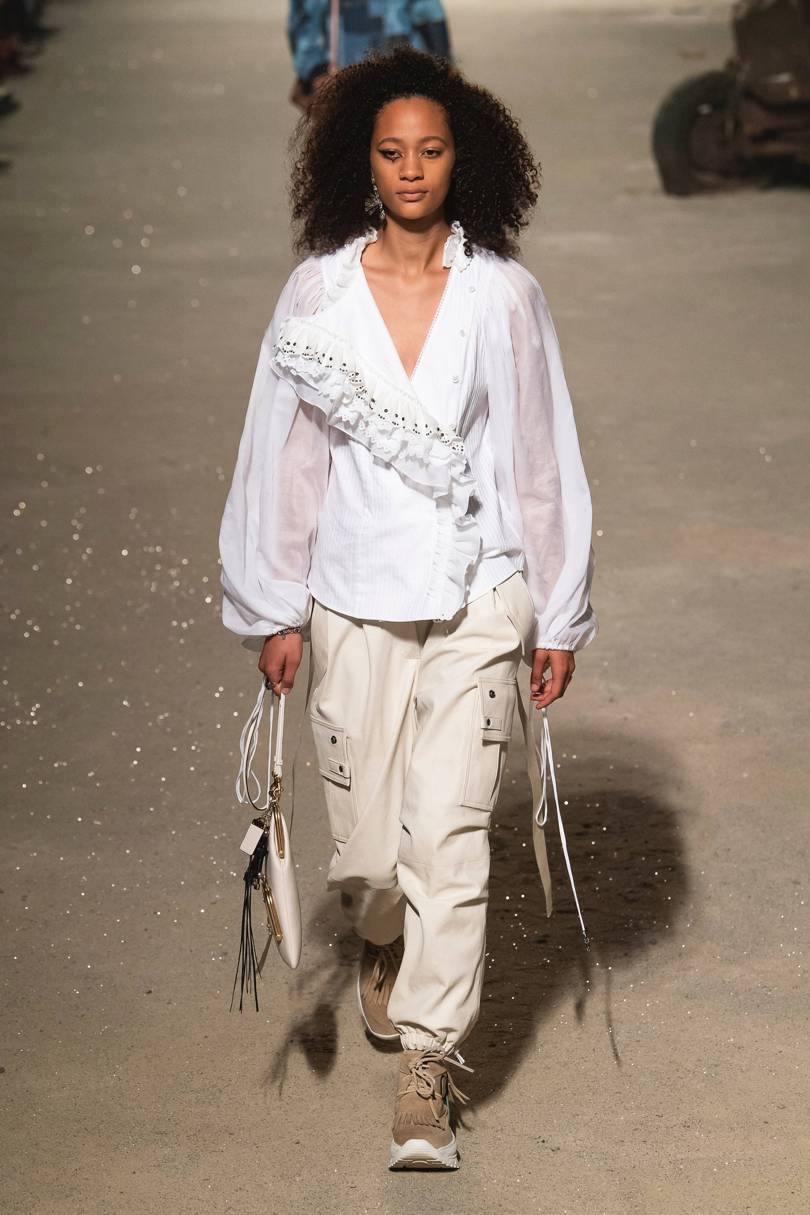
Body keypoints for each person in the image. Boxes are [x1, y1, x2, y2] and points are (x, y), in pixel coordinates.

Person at [218, 45, 598, 1171]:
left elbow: (539, 457)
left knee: (451, 832)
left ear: (462, 160)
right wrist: (274, 607)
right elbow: (285, 459)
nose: (413, 169)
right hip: (352, 592)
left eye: (431, 150)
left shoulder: (502, 296)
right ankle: (382, 939)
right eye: (392, 152)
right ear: (362, 164)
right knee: (373, 854)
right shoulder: (320, 296)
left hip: (479, 588)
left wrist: (558, 612)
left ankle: (429, 1066)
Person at [287, 0, 451, 111]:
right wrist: (316, 72)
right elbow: (304, 20)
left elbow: (429, 15)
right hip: (343, 77)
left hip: (405, 72)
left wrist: (442, 69)